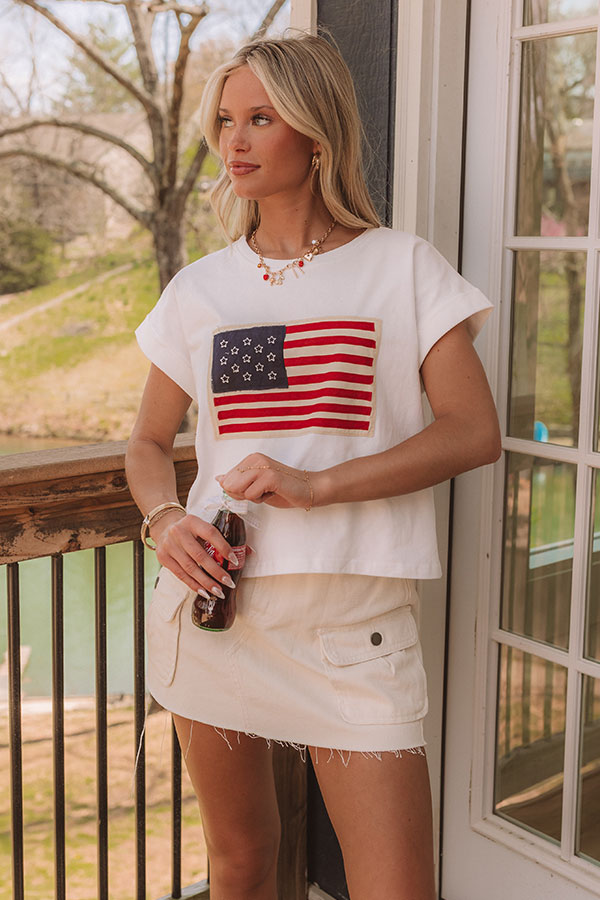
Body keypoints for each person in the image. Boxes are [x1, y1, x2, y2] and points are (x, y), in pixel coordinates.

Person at [125, 31, 501, 900]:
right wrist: (165, 520)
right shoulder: (201, 288)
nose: (235, 142)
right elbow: (146, 444)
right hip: (215, 615)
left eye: (261, 118)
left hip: (354, 632)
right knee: (242, 865)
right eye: (225, 121)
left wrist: (318, 485)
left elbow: (472, 431)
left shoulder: (400, 267)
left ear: (317, 132)